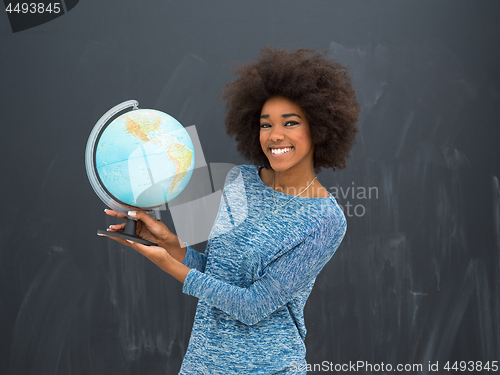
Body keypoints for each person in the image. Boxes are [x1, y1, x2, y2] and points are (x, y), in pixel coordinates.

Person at [103, 47, 359, 374]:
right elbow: (220, 274)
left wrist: (171, 267)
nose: (275, 135)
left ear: (320, 127)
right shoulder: (240, 179)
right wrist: (167, 243)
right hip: (202, 365)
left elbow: (252, 306)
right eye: (266, 125)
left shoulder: (326, 220)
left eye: (290, 122)